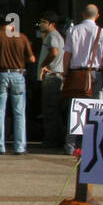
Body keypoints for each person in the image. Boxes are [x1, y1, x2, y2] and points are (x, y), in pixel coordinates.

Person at [62, 4, 103, 154]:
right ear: (97, 16)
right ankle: (89, 145)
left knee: (75, 110)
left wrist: (65, 74)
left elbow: (67, 55)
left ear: (83, 14)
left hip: (76, 74)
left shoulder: (72, 30)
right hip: (95, 74)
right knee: (94, 111)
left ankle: (71, 145)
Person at [0, 14, 35, 155]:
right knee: (19, 112)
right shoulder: (22, 37)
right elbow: (32, 58)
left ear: (0, 25)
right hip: (18, 75)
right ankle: (20, 147)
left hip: (0, 75)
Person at [36, 12, 65, 148]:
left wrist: (44, 65)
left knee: (49, 109)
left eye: (43, 22)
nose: (40, 24)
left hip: (52, 76)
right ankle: (55, 137)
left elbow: (54, 52)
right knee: (54, 109)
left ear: (51, 24)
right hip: (57, 76)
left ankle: (51, 139)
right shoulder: (56, 36)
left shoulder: (52, 36)